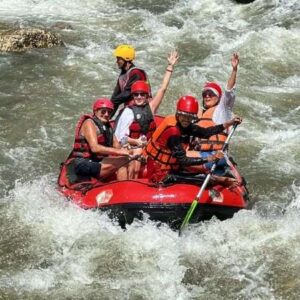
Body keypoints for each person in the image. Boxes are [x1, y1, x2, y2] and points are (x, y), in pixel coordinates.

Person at [144, 95, 242, 185]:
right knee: (204, 179)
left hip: (170, 168)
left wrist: (229, 123)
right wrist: (210, 158)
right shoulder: (173, 131)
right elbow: (184, 161)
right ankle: (220, 180)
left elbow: (206, 132)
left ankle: (220, 178)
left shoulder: (186, 125)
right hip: (159, 173)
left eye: (190, 117)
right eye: (184, 116)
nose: (186, 120)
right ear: (178, 114)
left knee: (203, 173)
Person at [114, 51, 179, 178]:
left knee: (142, 154)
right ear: (132, 96)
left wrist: (170, 67)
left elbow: (163, 88)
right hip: (131, 146)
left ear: (146, 96)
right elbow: (121, 138)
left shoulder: (151, 107)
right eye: (136, 94)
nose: (139, 97)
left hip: (149, 147)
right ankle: (130, 187)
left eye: (142, 94)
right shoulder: (127, 112)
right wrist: (137, 142)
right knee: (134, 158)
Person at [188, 53, 240, 172]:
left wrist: (234, 70)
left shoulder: (222, 110)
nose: (207, 96)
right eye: (205, 94)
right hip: (199, 153)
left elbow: (229, 92)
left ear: (218, 97)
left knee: (177, 158)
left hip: (215, 155)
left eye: (211, 94)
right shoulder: (199, 114)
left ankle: (217, 178)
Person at [69, 98, 133, 181]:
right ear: (95, 111)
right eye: (103, 111)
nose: (106, 114)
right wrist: (120, 152)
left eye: (109, 112)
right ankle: (124, 189)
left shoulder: (108, 127)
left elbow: (117, 146)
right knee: (122, 162)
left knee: (126, 159)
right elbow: (95, 148)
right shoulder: (89, 123)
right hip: (83, 163)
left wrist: (129, 150)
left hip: (96, 161)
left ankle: (130, 184)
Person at [111, 44, 150, 117]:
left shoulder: (136, 73)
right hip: (130, 109)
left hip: (142, 110)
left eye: (118, 59)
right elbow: (115, 98)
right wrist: (109, 112)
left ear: (126, 59)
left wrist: (113, 102)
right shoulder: (122, 75)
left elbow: (127, 93)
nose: (117, 62)